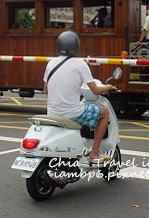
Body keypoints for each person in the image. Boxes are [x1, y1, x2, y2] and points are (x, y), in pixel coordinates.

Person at [43, 31, 116, 163]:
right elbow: (95, 90)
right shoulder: (80, 64)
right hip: (72, 113)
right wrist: (108, 87)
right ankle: (94, 153)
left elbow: (46, 91)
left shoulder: (50, 63)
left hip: (52, 112)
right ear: (76, 46)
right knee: (104, 113)